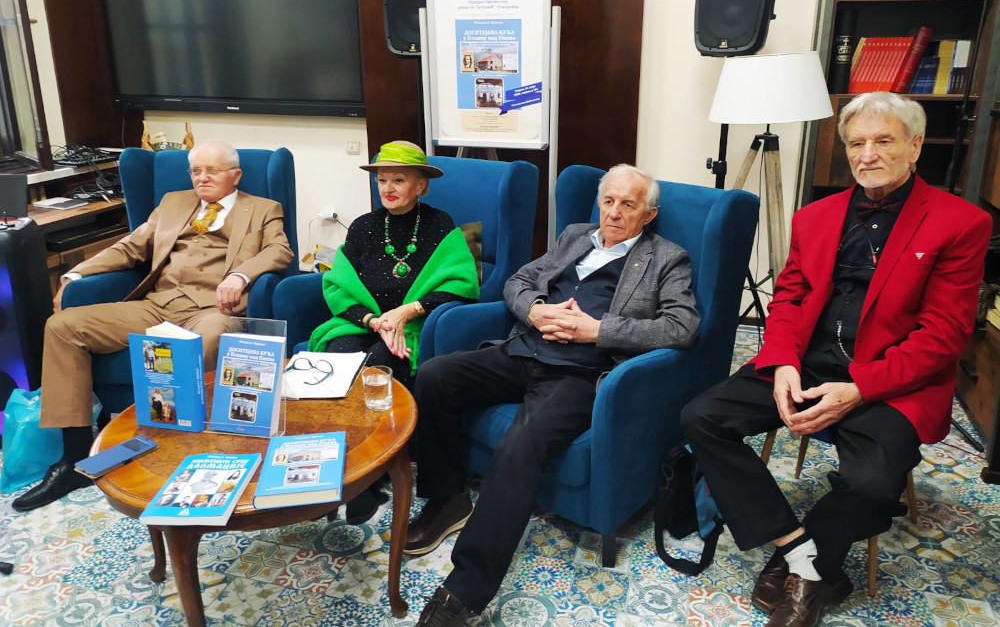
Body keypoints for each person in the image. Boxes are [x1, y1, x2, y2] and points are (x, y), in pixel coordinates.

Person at [680, 92, 992, 627]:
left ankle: (805, 570)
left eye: (883, 140)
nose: (867, 155)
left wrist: (861, 388)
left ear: (915, 145)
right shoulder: (815, 216)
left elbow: (944, 334)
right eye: (856, 143)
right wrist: (782, 361)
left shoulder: (960, 223)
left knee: (873, 488)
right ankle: (797, 546)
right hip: (806, 364)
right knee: (700, 417)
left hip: (890, 380)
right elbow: (789, 298)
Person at [409, 164, 701, 626]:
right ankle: (448, 498)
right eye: (608, 201)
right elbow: (517, 282)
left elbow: (681, 327)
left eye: (628, 204)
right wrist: (536, 311)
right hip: (522, 351)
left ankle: (464, 590)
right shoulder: (574, 236)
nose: (614, 212)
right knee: (434, 375)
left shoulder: (666, 257)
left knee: (520, 443)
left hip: (578, 374)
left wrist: (597, 330)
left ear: (648, 214)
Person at [13, 140, 294, 513]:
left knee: (206, 339)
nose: (202, 178)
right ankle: (74, 457)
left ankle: (189, 448)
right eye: (196, 171)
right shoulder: (173, 203)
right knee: (63, 326)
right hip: (156, 305)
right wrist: (75, 274)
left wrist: (241, 275)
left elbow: (280, 251)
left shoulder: (262, 208)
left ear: (235, 175)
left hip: (212, 308)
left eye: (212, 171)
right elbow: (130, 248)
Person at [308, 140, 480, 522]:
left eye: (399, 180)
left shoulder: (440, 225)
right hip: (365, 321)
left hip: (413, 327)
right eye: (382, 180)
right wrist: (374, 321)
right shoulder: (363, 227)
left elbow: (462, 285)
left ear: (421, 185)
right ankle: (334, 469)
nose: (387, 188)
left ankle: (369, 477)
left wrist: (407, 311)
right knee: (337, 358)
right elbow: (338, 285)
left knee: (378, 366)